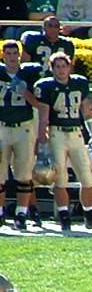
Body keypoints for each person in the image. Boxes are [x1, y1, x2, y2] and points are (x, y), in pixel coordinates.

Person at [34, 52, 92, 235]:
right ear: (52, 69)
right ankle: (64, 217)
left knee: (87, 177)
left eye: (64, 66)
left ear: (70, 67)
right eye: (58, 67)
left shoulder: (79, 83)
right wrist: (42, 141)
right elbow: (44, 117)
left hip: (76, 134)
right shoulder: (46, 86)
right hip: (57, 134)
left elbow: (86, 110)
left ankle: (90, 216)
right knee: (60, 178)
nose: (61, 70)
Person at [0, 40, 41, 232]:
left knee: (24, 174)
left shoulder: (29, 73)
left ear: (20, 55)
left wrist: (24, 91)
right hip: (1, 127)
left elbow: (37, 103)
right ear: (3, 55)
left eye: (15, 53)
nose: (11, 57)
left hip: (24, 127)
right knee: (0, 175)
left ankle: (22, 213)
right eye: (8, 53)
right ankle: (1, 212)